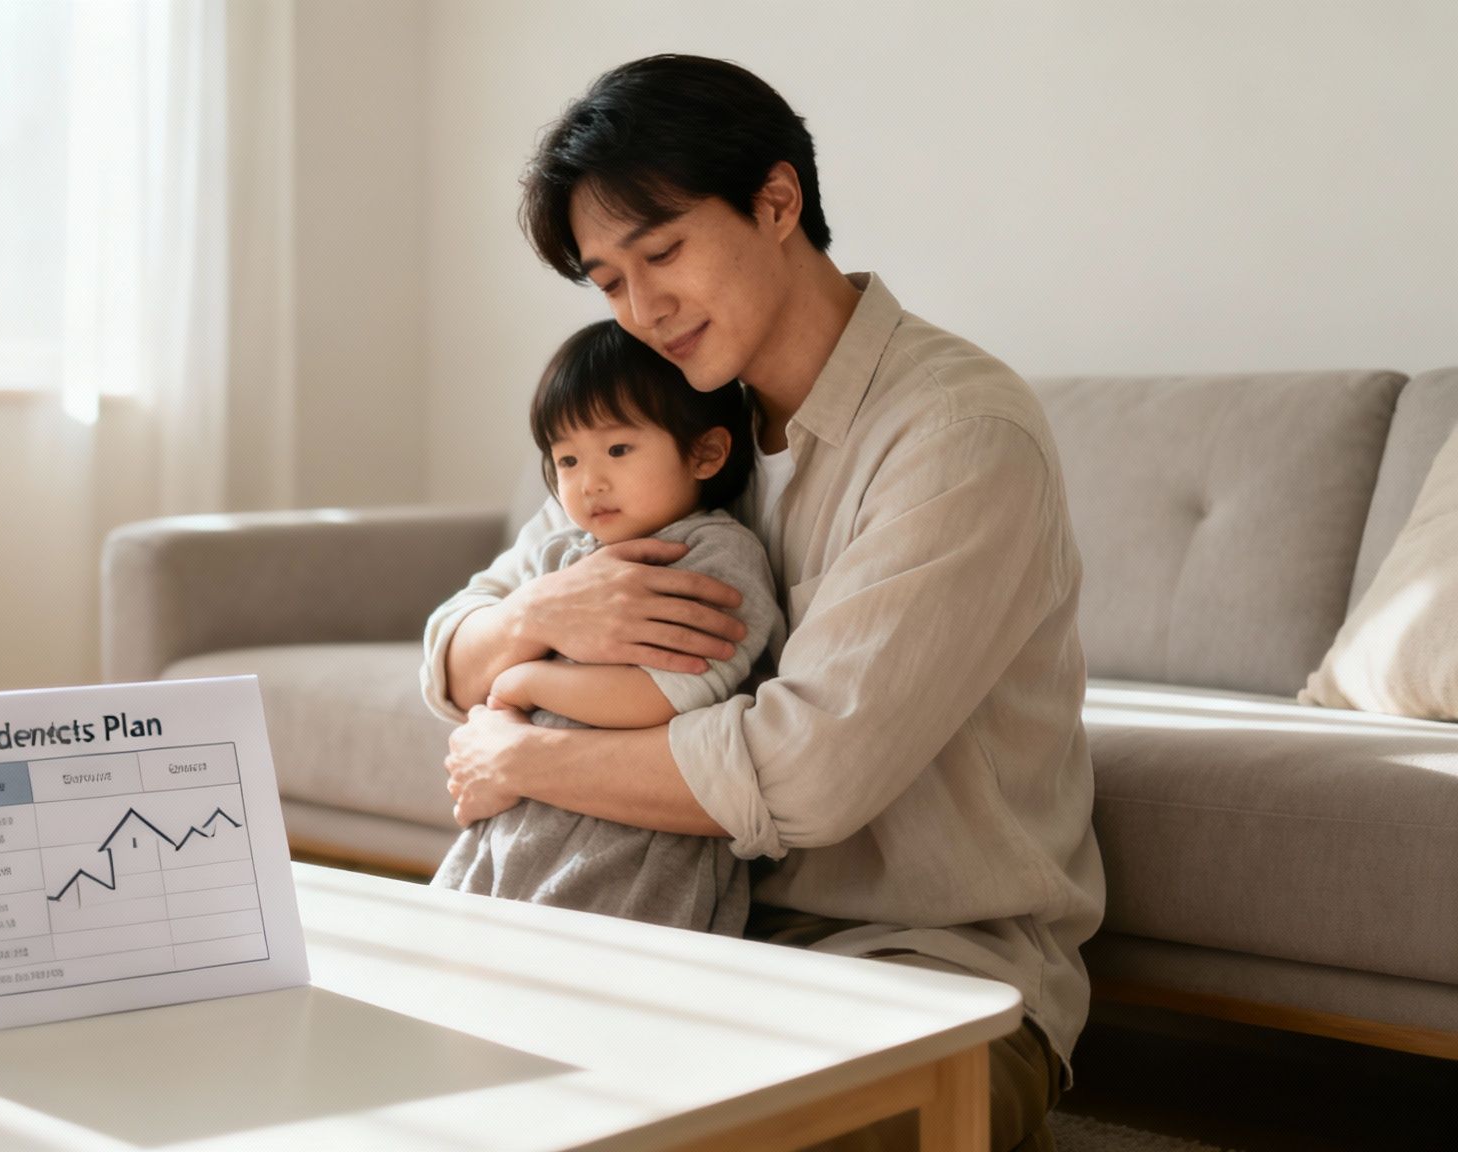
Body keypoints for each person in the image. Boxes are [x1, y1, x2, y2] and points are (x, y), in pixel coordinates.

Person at [421, 55, 1105, 1152]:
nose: (640, 309)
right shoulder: (664, 424)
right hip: (680, 945)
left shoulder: (957, 435)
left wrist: (518, 757)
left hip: (921, 980)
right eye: (606, 281)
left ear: (775, 203)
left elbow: (805, 774)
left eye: (663, 251)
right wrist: (545, 620)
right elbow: (453, 643)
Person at [428, 319, 780, 935]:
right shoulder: (563, 551)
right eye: (566, 459)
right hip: (520, 823)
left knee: (581, 987)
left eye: (618, 450)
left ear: (705, 452)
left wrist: (527, 681)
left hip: (631, 843)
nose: (588, 482)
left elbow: (665, 693)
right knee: (444, 957)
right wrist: (511, 680)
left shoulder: (713, 556)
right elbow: (466, 658)